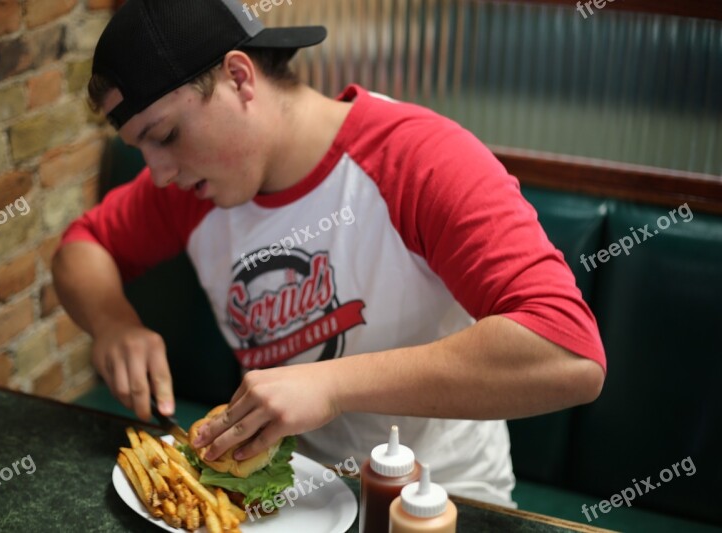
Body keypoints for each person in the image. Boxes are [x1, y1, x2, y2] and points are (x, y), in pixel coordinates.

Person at [53, 0, 606, 505]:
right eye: (141, 149)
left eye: (167, 135)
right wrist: (112, 324)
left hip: (441, 500)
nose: (160, 173)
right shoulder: (195, 186)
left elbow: (567, 354)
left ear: (238, 77)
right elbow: (83, 246)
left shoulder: (419, 159)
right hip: (288, 502)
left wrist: (332, 385)